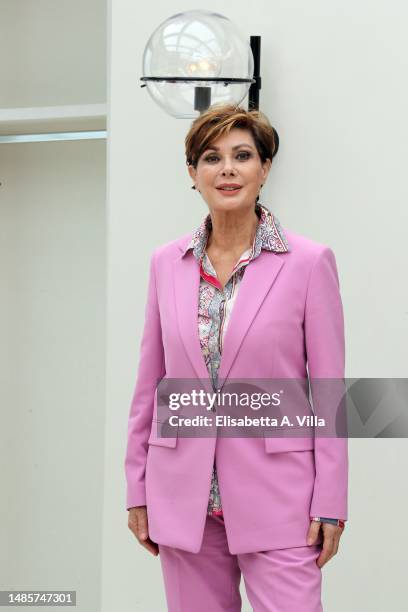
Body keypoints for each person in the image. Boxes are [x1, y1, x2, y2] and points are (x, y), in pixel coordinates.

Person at [125, 103, 348, 611]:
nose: (227, 169)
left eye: (242, 155)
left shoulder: (310, 263)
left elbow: (329, 392)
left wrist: (330, 503)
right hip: (182, 498)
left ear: (264, 168)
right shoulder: (166, 263)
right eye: (211, 157)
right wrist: (137, 488)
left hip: (281, 499)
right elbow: (149, 384)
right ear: (193, 173)